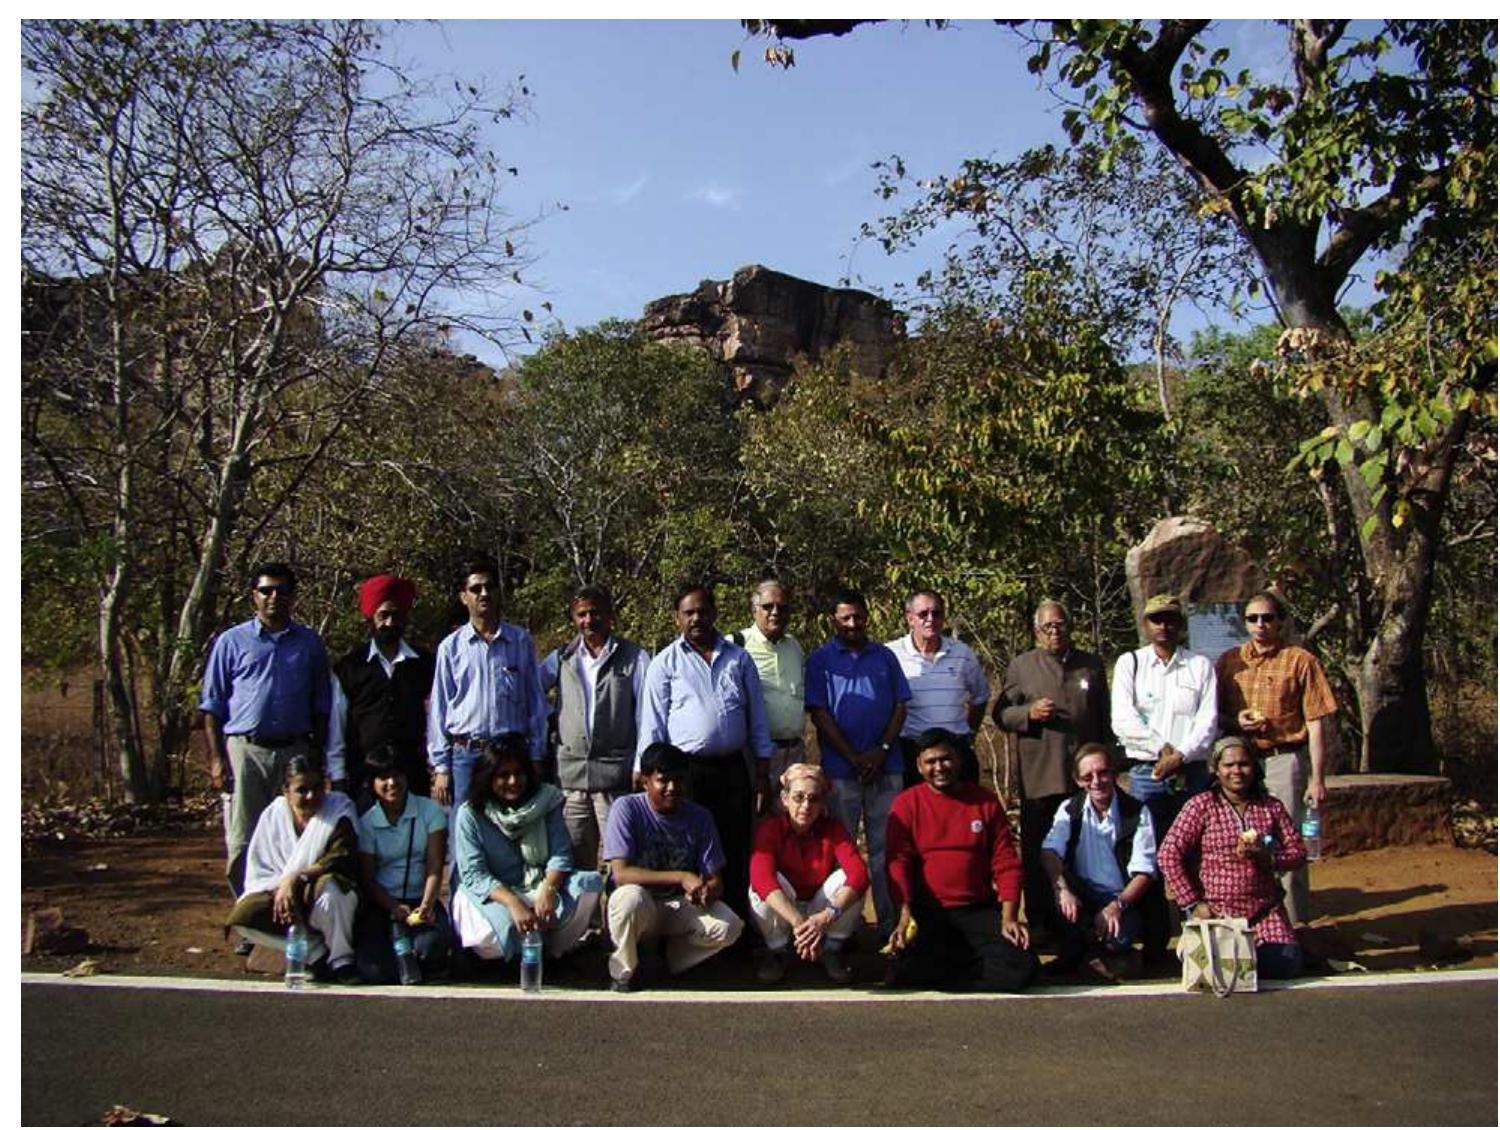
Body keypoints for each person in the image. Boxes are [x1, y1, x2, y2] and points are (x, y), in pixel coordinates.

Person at [200, 563, 332, 920]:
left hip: (295, 751)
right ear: (253, 596)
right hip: (246, 750)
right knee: (244, 838)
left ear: (293, 596)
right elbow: (212, 705)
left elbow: (322, 705)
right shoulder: (231, 642)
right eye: (266, 590)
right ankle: (249, 914)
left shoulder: (309, 644)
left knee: (296, 836)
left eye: (282, 591)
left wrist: (317, 755)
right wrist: (216, 759)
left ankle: (289, 911)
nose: (275, 597)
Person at [637, 582, 772, 923]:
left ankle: (738, 927)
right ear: (676, 619)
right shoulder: (664, 663)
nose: (696, 618)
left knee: (735, 847)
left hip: (732, 769)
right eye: (688, 612)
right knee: (691, 850)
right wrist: (648, 776)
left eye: (702, 611)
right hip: (685, 776)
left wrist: (761, 774)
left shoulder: (738, 659)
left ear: (714, 613)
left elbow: (757, 720)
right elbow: (652, 726)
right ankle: (695, 928)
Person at [1215, 590, 1337, 930]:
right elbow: (1215, 716)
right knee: (1242, 839)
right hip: (1242, 763)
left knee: (1287, 841)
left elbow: (1315, 722)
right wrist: (1236, 721)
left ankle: (1294, 925)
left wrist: (1317, 778)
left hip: (1284, 758)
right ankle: (1250, 923)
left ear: (1280, 622)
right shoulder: (1229, 662)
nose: (1260, 625)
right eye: (1253, 619)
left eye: (1267, 618)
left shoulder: (1300, 660)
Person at [884, 730, 1037, 992]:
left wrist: (1010, 917)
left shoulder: (985, 802)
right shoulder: (906, 804)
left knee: (1022, 967)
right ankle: (955, 969)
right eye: (930, 762)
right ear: (919, 767)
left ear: (958, 760)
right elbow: (898, 864)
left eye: (945, 759)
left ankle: (956, 975)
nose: (939, 767)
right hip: (929, 912)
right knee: (907, 973)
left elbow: (1006, 863)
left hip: (977, 910)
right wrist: (904, 913)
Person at [994, 599, 1111, 937]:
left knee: (1084, 846)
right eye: (1047, 627)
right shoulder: (1022, 666)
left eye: (1060, 625)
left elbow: (1103, 719)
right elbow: (1001, 715)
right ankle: (1042, 919)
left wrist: (1108, 764)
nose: (1055, 632)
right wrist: (1028, 713)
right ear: (1037, 631)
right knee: (1037, 850)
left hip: (1084, 776)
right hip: (1040, 775)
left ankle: (1083, 916)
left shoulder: (1090, 665)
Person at [804, 587, 911, 940]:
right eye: (845, 618)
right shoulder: (820, 659)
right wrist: (853, 756)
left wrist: (880, 750)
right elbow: (819, 712)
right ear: (834, 620)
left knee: (887, 851)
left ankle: (889, 927)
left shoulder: (884, 657)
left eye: (858, 617)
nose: (853, 624)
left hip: (887, 766)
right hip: (840, 771)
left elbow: (900, 706)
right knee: (842, 854)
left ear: (867, 618)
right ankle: (841, 932)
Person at [1157, 736, 1307, 980]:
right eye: (1229, 765)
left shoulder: (1271, 807)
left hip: (1264, 913)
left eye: (1244, 764)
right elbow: (1168, 854)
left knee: (1285, 964)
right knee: (1217, 968)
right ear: (1216, 769)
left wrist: (1269, 858)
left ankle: (1254, 955)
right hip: (1216, 913)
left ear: (1254, 768)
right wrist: (1193, 904)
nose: (1237, 771)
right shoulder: (1202, 806)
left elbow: (1298, 853)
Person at [602, 742, 744, 992]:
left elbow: (716, 879)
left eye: (678, 780)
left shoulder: (700, 817)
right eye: (663, 781)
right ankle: (624, 970)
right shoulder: (626, 809)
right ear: (645, 781)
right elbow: (621, 874)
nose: (672, 788)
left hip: (678, 905)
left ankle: (672, 961)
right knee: (629, 898)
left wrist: (707, 890)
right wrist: (681, 876)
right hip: (641, 904)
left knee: (729, 926)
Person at [450, 738, 603, 966]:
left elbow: (560, 855)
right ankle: (511, 953)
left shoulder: (546, 800)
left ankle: (548, 949)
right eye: (503, 775)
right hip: (497, 895)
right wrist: (513, 903)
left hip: (537, 886)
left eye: (518, 773)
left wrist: (549, 890)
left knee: (589, 884)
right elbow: (474, 875)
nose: (513, 781)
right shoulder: (470, 814)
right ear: (488, 777)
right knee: (491, 934)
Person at [539, 584, 650, 873]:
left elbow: (644, 715)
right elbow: (531, 692)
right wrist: (555, 719)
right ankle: (583, 919)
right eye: (582, 614)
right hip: (571, 780)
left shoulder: (634, 657)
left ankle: (616, 918)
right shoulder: (561, 657)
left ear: (610, 616)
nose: (589, 620)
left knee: (622, 862)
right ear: (574, 619)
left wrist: (640, 763)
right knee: (575, 865)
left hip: (615, 778)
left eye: (595, 613)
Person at [225, 754, 360, 983]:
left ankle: (340, 960)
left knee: (333, 892)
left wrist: (295, 878)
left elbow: (341, 854)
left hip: (319, 890)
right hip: (281, 894)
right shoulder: (274, 814)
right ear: (286, 791)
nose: (311, 796)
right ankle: (315, 954)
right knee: (243, 917)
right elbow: (261, 868)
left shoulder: (338, 808)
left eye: (317, 788)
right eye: (302, 790)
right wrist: (282, 889)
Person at [427, 557, 547, 811]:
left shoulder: (520, 641)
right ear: (463, 597)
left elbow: (536, 703)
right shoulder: (451, 647)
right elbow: (439, 708)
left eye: (490, 587)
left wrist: (536, 754)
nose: (484, 594)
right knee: (464, 833)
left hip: (512, 755)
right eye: (475, 589)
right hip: (467, 755)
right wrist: (441, 767)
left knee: (513, 832)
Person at [1039, 743, 1159, 979]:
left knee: (1116, 938)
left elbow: (1144, 873)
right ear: (1077, 780)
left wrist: (1116, 907)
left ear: (1113, 773)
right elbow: (1049, 853)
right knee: (1067, 920)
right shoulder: (1069, 809)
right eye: (1087, 776)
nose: (1096, 781)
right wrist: (1061, 890)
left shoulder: (1138, 812)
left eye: (1103, 772)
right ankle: (1097, 960)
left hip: (1123, 899)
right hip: (1083, 895)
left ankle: (1095, 960)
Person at [747, 763, 869, 985]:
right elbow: (761, 878)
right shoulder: (770, 830)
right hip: (788, 910)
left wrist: (825, 917)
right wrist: (798, 923)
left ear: (822, 803)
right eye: (798, 797)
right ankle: (778, 950)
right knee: (759, 888)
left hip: (818, 908)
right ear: (785, 800)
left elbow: (860, 874)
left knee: (848, 881)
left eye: (813, 799)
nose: (806, 806)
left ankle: (832, 948)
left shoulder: (833, 829)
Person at [1110, 593, 1217, 832]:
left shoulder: (1199, 665)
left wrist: (1179, 756)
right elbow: (1123, 719)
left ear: (1180, 624)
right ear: (1145, 624)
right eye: (1156, 620)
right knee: (1148, 848)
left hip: (1190, 774)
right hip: (1148, 773)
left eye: (1170, 619)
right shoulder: (1130, 664)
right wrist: (1161, 749)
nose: (1163, 626)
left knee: (1193, 845)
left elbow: (1207, 721)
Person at [334, 574, 436, 807]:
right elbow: (337, 725)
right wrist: (338, 774)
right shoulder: (349, 667)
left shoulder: (425, 664)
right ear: (371, 617)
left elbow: (436, 717)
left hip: (413, 773)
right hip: (363, 775)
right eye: (383, 615)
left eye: (396, 615)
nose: (390, 623)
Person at [353, 746, 450, 984]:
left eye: (397, 775)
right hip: (384, 905)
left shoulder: (430, 811)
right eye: (383, 777)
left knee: (429, 949)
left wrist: (427, 904)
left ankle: (416, 956)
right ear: (372, 783)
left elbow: (435, 866)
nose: (391, 783)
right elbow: (368, 878)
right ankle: (400, 956)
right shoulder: (366, 823)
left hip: (421, 901)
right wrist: (393, 907)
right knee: (373, 970)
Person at [888, 588, 989, 787]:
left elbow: (980, 697)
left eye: (936, 613)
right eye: (923, 614)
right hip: (911, 753)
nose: (930, 619)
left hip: (956, 751)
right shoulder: (890, 654)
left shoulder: (962, 653)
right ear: (910, 619)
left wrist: (968, 733)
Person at [733, 580, 807, 810]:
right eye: (768, 606)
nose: (775, 612)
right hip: (756, 756)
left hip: (794, 754)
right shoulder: (736, 645)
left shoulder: (794, 646)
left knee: (793, 824)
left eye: (782, 607)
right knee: (758, 822)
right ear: (754, 610)